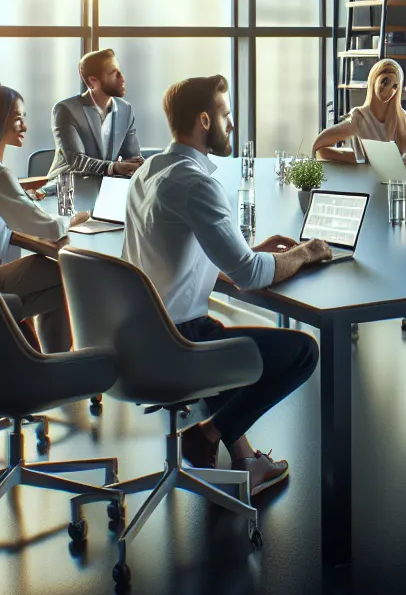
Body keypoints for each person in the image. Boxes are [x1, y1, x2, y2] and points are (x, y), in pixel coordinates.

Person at [124, 75, 329, 495]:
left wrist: (251, 250)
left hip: (136, 336)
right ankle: (209, 433)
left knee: (221, 336)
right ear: (204, 120)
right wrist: (305, 252)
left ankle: (246, 462)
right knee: (303, 352)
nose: (231, 124)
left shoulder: (148, 171)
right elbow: (250, 276)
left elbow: (179, 254)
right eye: (226, 114)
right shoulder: (196, 182)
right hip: (177, 343)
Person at [0, 85, 90, 354]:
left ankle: (49, 360)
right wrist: (74, 219)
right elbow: (45, 227)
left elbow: (3, 211)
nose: (24, 125)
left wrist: (23, 201)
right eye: (17, 118)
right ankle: (56, 362)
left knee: (57, 283)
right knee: (68, 273)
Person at [50, 48, 143, 179]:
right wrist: (113, 167)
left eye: (120, 71)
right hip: (68, 186)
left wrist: (139, 163)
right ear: (93, 80)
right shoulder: (66, 110)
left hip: (106, 186)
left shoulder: (125, 109)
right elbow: (76, 160)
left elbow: (132, 156)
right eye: (113, 73)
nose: (122, 78)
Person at [312, 58, 406, 164]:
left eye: (395, 86)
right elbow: (319, 147)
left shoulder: (404, 118)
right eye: (385, 82)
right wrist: (351, 157)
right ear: (373, 80)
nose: (389, 90)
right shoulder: (359, 118)